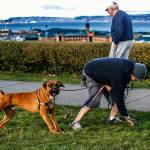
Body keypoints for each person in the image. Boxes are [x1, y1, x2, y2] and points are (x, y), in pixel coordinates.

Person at [70, 57, 147, 130]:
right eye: (136, 78)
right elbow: (118, 98)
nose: (136, 80)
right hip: (90, 71)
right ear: (133, 73)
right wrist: (126, 116)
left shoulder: (128, 69)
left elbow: (118, 93)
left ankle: (112, 118)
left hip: (103, 73)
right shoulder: (120, 76)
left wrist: (107, 83)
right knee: (94, 100)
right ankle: (75, 122)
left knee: (118, 96)